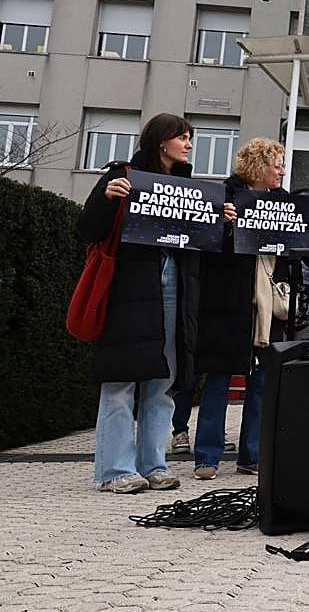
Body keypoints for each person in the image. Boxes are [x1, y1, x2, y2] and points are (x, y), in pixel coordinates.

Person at [78, 113, 209, 494]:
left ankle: (153, 464)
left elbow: (199, 244)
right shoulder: (122, 175)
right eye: (181, 137)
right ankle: (114, 470)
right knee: (120, 379)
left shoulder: (188, 187)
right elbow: (87, 229)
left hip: (173, 289)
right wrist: (106, 199)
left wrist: (222, 222)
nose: (188, 144)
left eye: (189, 137)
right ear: (160, 141)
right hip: (129, 291)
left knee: (163, 379)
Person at [193, 138, 308, 480]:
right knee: (218, 379)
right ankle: (207, 458)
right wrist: (223, 226)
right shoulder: (224, 198)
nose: (282, 172)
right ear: (258, 167)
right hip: (229, 302)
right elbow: (205, 248)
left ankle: (252, 456)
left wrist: (306, 234)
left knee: (261, 382)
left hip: (269, 305)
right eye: (277, 165)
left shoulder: (284, 204)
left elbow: (291, 252)